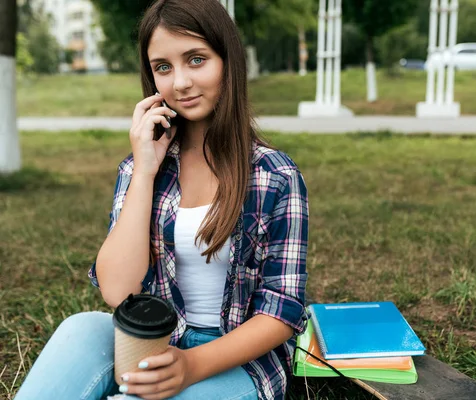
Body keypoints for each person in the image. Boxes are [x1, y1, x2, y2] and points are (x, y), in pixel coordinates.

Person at [14, 0, 309, 399]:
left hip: (236, 360)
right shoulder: (142, 168)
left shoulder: (275, 176)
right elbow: (118, 291)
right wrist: (145, 170)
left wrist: (190, 365)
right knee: (80, 327)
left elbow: (281, 312)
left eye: (196, 60)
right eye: (163, 67)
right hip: (150, 335)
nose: (181, 82)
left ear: (228, 62)